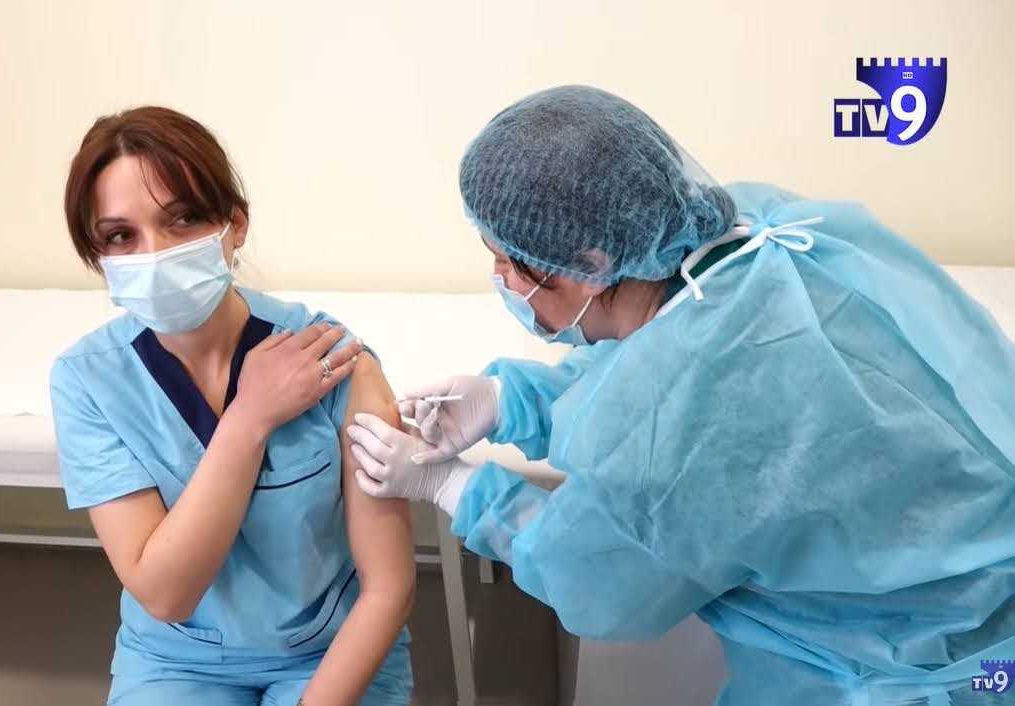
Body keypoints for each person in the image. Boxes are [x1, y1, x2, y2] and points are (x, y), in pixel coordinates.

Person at [347, 85, 1015, 705]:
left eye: (508, 261)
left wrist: (452, 488)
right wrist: (510, 401)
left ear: (590, 264)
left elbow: (601, 580)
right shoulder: (762, 240)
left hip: (927, 667)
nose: (498, 277)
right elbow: (682, 371)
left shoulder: (667, 436)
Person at [51, 106, 413, 706]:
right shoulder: (87, 381)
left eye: (184, 219)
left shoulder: (334, 359)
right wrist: (249, 417)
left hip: (331, 649)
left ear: (234, 225)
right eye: (121, 235)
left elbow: (390, 587)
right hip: (174, 660)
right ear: (99, 256)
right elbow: (165, 594)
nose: (155, 254)